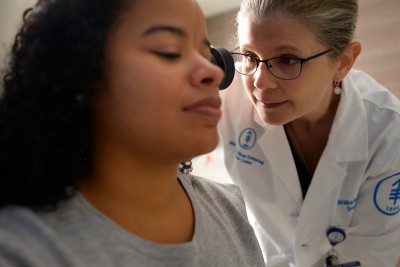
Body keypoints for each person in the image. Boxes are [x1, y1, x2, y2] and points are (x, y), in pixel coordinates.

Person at [0, 0, 265, 266]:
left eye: (207, 55)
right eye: (170, 52)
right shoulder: (22, 248)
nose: (213, 71)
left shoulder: (229, 207)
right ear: (81, 73)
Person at [218, 0, 400, 266]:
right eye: (250, 57)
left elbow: (373, 255)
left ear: (344, 62)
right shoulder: (227, 103)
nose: (259, 81)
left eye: (287, 60)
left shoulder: (389, 135)